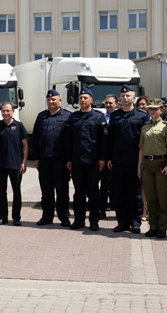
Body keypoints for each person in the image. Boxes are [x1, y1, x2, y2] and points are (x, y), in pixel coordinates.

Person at [108, 85, 150, 234]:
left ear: (134, 98)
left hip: (134, 161)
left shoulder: (142, 116)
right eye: (123, 96)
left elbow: (145, 140)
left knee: (135, 193)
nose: (125, 98)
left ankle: (135, 222)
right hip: (118, 160)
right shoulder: (114, 116)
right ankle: (122, 222)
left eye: (128, 96)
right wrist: (109, 158)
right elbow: (110, 139)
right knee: (119, 193)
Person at [66, 87, 106, 231]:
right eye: (81, 98)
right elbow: (69, 140)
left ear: (91, 100)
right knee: (79, 193)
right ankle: (79, 220)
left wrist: (102, 158)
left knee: (93, 193)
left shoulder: (98, 117)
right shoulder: (73, 117)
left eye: (85, 98)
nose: (82, 100)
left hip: (93, 162)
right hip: (77, 161)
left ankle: (94, 221)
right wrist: (69, 159)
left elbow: (103, 140)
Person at [32, 89, 72, 227]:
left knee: (62, 191)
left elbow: (70, 140)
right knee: (46, 191)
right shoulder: (41, 116)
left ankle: (64, 217)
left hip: (61, 161)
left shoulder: (68, 116)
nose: (51, 102)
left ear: (60, 101)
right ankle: (47, 217)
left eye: (54, 99)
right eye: (49, 100)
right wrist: (35, 158)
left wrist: (69, 159)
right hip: (44, 160)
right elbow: (35, 138)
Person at [137, 99, 167, 238]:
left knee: (163, 198)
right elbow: (141, 148)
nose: (152, 111)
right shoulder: (145, 127)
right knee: (151, 199)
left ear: (161, 110)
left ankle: (162, 227)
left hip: (161, 164)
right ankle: (152, 226)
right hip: (147, 165)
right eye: (150, 109)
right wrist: (139, 167)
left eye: (156, 109)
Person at [0, 102, 28, 226]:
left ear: (12, 112)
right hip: (1, 164)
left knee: (16, 192)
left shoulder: (19, 126)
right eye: (3, 111)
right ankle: (2, 217)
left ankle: (16, 218)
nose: (5, 113)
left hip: (16, 164)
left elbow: (25, 145)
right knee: (2, 192)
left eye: (8, 111)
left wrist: (24, 162)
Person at [99, 94, 117, 218]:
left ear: (116, 104)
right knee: (104, 185)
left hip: (116, 156)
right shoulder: (100, 118)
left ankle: (116, 207)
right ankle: (102, 209)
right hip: (103, 156)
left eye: (111, 103)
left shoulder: (119, 117)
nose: (108, 105)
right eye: (106, 103)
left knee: (116, 185)